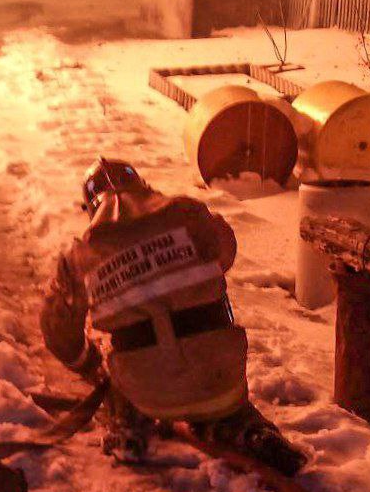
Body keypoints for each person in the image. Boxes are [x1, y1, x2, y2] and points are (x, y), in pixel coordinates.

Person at [40, 157, 303, 475]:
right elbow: (225, 253)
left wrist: (88, 365)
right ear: (144, 187)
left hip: (145, 387)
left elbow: (57, 329)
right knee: (226, 407)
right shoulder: (188, 214)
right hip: (220, 372)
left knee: (119, 379)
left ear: (89, 209)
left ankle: (128, 429)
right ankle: (251, 432)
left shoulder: (80, 256)